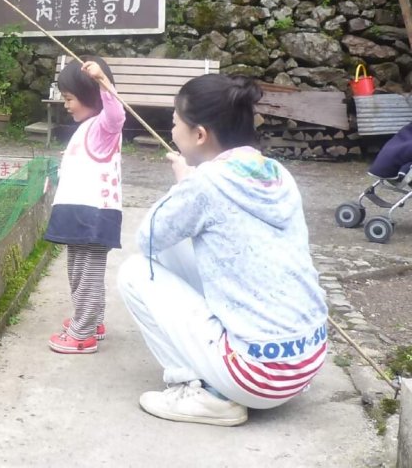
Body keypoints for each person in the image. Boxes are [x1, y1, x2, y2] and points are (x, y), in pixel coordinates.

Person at [118, 74, 328, 426]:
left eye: (174, 124)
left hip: (258, 377)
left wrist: (185, 184)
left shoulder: (205, 183)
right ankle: (225, 376)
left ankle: (205, 395)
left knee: (135, 272)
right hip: (306, 362)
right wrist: (194, 181)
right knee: (176, 249)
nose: (172, 132)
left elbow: (149, 237)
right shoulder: (277, 173)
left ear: (199, 134)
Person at [44, 55, 125, 354]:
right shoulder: (88, 125)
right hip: (79, 211)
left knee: (86, 272)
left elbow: (117, 116)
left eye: (70, 98)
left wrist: (103, 81)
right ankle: (93, 321)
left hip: (94, 212)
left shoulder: (105, 126)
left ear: (92, 95)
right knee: (79, 269)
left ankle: (83, 335)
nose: (66, 104)